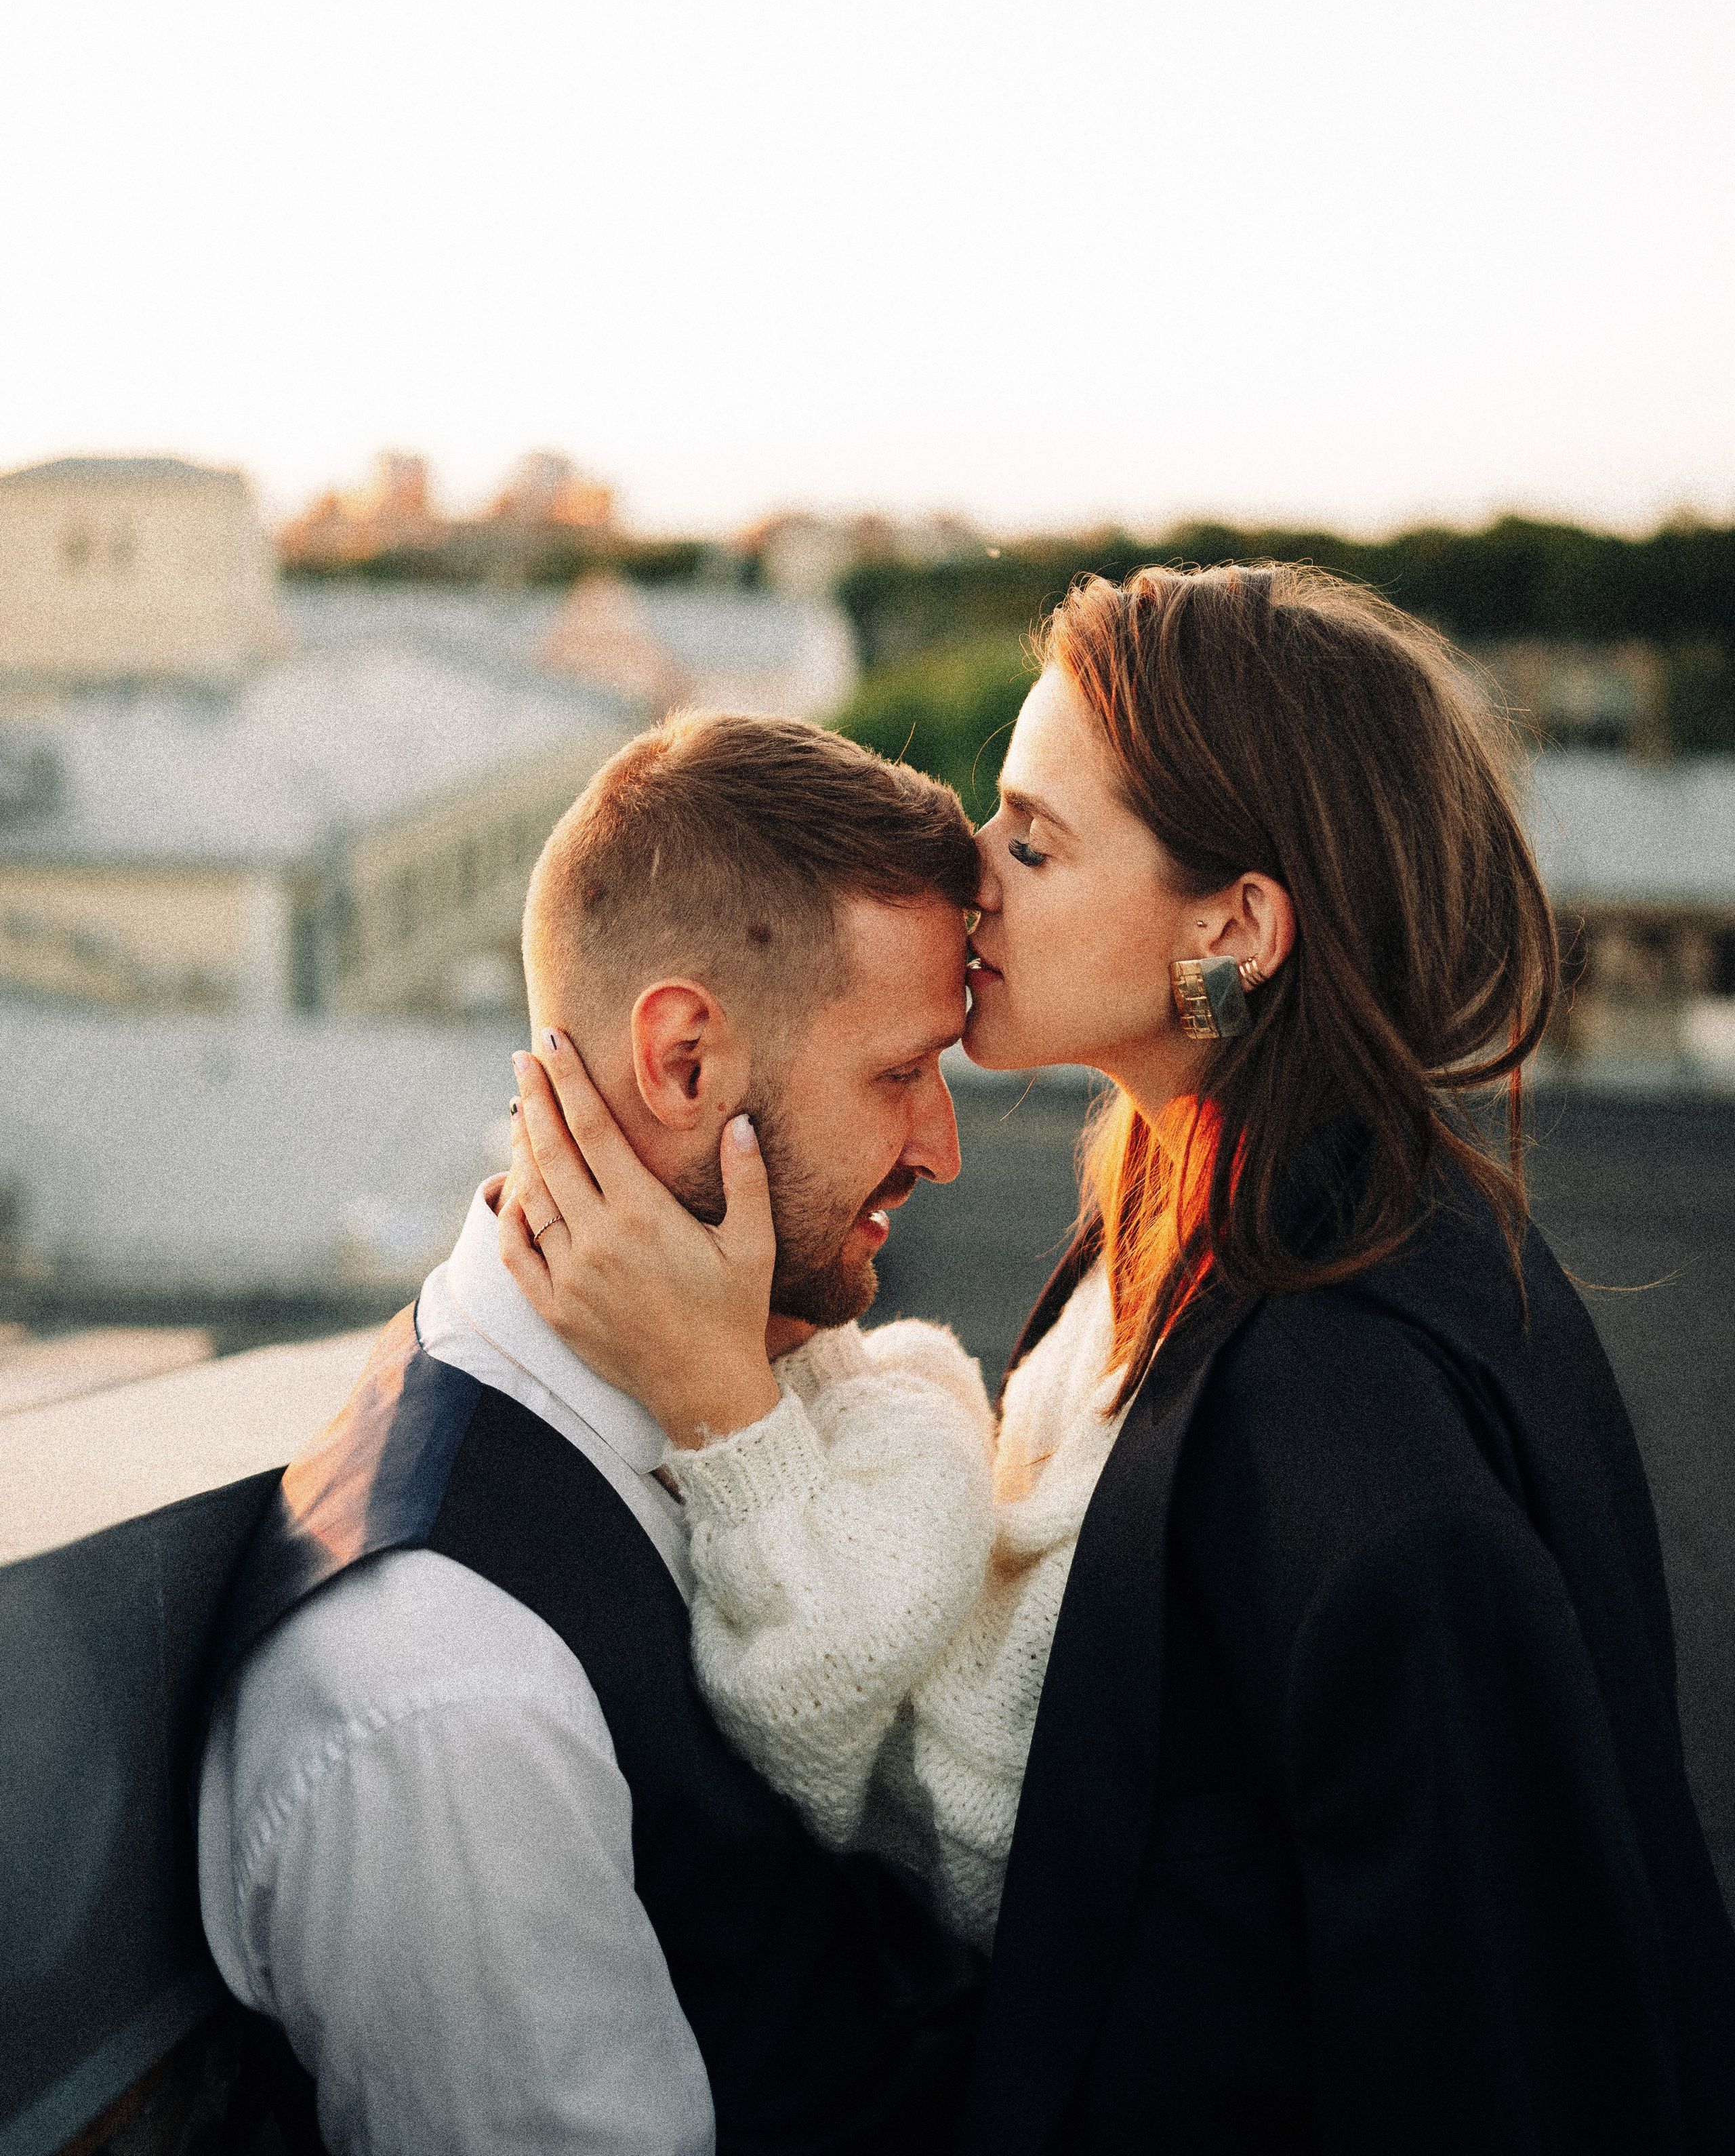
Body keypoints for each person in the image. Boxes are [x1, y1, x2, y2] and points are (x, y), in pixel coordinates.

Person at [506, 561, 1735, 2155]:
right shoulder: (1182, 1202)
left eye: (1033, 838)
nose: (972, 869)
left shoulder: (1359, 1429)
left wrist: (724, 1412)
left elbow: (1488, 2041)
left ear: (1228, 929)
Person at [195, 715, 989, 2156]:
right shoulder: (445, 1696)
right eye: (899, 1073)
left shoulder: (750, 1377)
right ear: (683, 1063)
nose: (939, 1145)